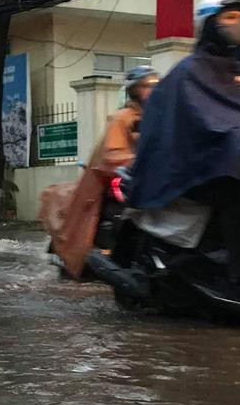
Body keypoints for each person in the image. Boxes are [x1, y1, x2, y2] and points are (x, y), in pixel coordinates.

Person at [128, 0, 240, 310]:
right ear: (210, 24)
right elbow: (206, 119)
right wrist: (237, 138)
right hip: (198, 167)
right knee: (236, 202)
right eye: (230, 18)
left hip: (237, 162)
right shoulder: (189, 71)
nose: (239, 24)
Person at [39, 65, 159, 277]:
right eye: (146, 86)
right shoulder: (123, 118)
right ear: (134, 90)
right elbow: (112, 154)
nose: (152, 91)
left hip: (150, 179)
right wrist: (136, 161)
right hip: (119, 180)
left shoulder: (160, 117)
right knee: (109, 213)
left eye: (156, 86)